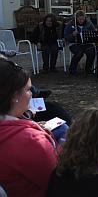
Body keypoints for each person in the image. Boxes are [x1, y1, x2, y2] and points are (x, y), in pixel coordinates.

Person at [0, 58, 58, 197]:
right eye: (28, 90)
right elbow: (58, 182)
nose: (32, 94)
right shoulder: (31, 141)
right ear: (14, 96)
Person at [64, 10, 96, 75]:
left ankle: (88, 69)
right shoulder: (71, 24)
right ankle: (72, 69)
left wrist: (93, 34)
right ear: (76, 18)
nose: (81, 21)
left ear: (85, 18)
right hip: (75, 44)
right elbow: (66, 36)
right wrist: (72, 35)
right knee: (79, 53)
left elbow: (94, 33)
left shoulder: (89, 24)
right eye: (79, 19)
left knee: (91, 52)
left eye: (83, 19)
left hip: (87, 43)